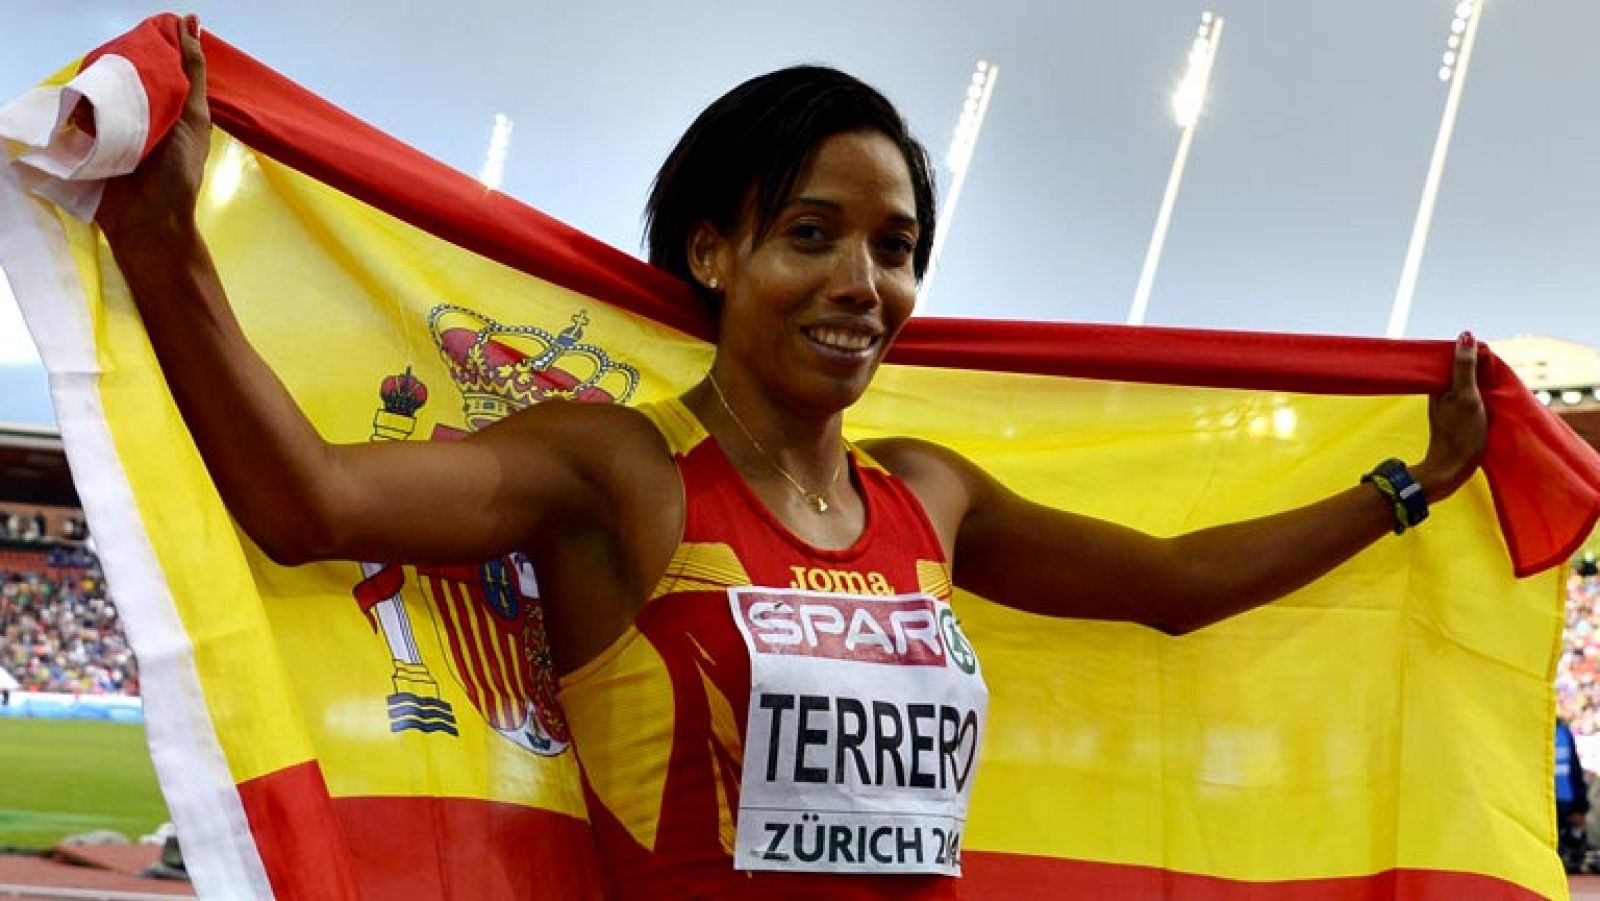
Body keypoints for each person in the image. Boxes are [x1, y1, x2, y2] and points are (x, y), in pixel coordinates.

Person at [96, 16, 1486, 899]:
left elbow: (1173, 581)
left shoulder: (929, 495)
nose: (861, 282)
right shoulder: (616, 474)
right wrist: (167, 245)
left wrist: (1406, 485)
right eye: (810, 233)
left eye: (895, 248)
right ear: (715, 252)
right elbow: (313, 502)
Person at [1558, 717, 1590, 872]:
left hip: (1566, 800)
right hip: (1545, 801)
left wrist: (1580, 805)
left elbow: (1574, 768)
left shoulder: (1563, 731)